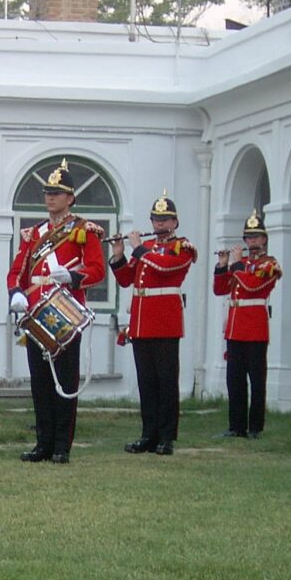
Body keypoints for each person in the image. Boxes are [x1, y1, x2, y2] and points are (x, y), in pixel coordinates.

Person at [6, 159, 106, 464]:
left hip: (65, 312)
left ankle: (62, 444)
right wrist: (16, 294)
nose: (50, 197)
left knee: (64, 379)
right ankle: (43, 442)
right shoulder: (33, 234)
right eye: (48, 192)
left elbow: (98, 270)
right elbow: (16, 271)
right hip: (36, 312)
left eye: (57, 192)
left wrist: (74, 277)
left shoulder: (82, 230)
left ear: (70, 197)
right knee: (40, 380)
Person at [109, 191, 196, 456]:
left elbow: (166, 268)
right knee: (146, 381)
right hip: (142, 322)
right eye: (156, 219)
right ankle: (149, 434)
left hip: (165, 321)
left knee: (167, 381)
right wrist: (119, 255)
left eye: (165, 220)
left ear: (175, 222)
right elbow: (127, 279)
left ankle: (167, 437)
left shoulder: (182, 247)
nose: (159, 224)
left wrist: (139, 249)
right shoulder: (145, 251)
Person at [214, 209, 282, 438]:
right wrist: (223, 266)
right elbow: (220, 289)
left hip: (254, 327)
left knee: (256, 380)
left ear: (264, 239)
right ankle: (236, 426)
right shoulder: (240, 264)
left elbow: (253, 286)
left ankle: (255, 426)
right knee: (235, 379)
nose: (251, 241)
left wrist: (235, 265)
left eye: (255, 237)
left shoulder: (269, 264)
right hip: (235, 327)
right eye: (248, 237)